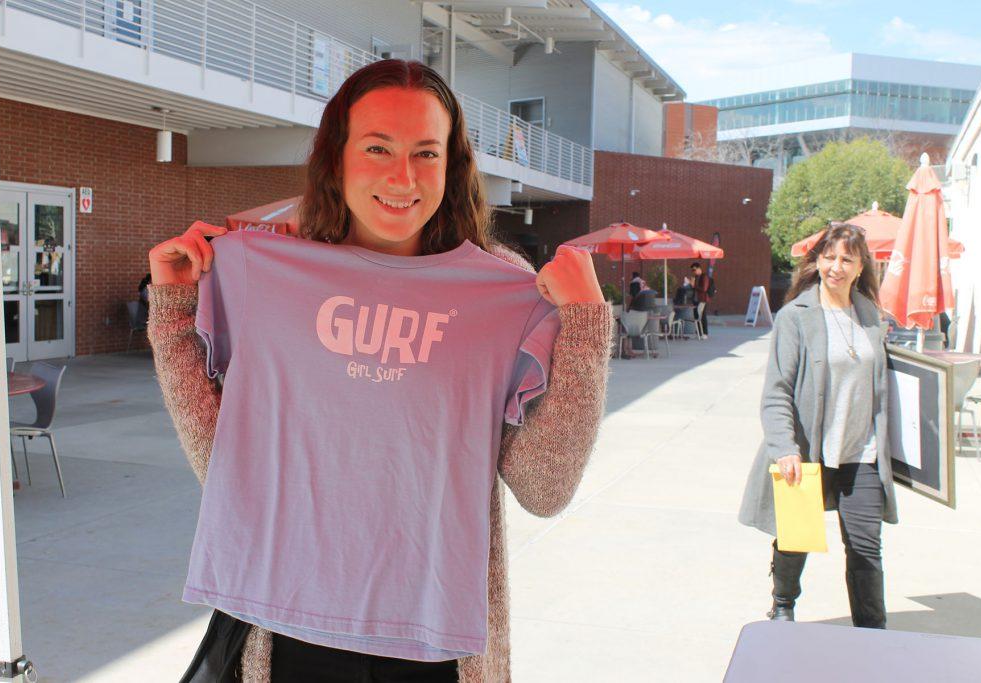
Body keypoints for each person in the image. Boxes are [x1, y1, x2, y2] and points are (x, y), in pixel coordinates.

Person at [146, 59, 612, 682]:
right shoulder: (273, 276)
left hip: (433, 642)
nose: (403, 176)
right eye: (377, 147)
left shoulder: (499, 296)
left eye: (426, 152)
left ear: (453, 166)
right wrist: (175, 318)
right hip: (290, 631)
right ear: (335, 158)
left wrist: (585, 325)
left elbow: (544, 489)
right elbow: (231, 468)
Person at [738, 222, 898, 630]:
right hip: (808, 450)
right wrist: (784, 447)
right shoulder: (796, 316)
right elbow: (777, 391)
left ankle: (872, 633)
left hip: (861, 453)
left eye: (847, 258)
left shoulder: (872, 318)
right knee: (795, 538)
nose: (837, 267)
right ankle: (783, 606)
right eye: (829, 257)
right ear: (818, 261)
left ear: (861, 266)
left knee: (866, 549)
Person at [691, 262, 710, 339]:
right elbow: (694, 288)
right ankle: (698, 332)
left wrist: (694, 285)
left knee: (702, 316)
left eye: (694, 269)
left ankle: (705, 333)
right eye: (692, 270)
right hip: (696, 299)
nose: (693, 271)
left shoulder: (704, 276)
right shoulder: (695, 277)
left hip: (702, 299)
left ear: (699, 269)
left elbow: (704, 289)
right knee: (696, 316)